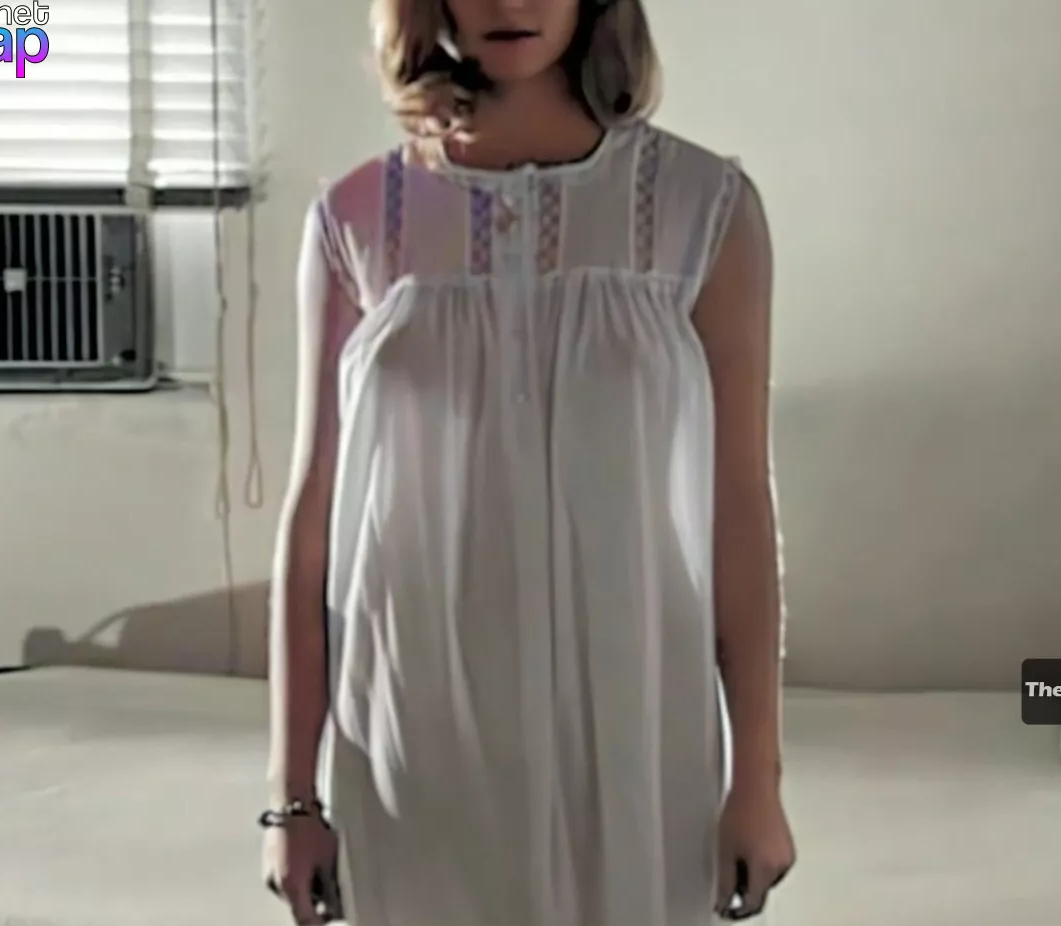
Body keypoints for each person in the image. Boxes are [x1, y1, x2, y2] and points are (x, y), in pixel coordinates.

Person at [262, 1, 794, 923]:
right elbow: (313, 517)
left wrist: (758, 778)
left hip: (633, 721)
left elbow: (739, 510)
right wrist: (292, 799)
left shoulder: (701, 209)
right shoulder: (354, 218)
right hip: (416, 716)